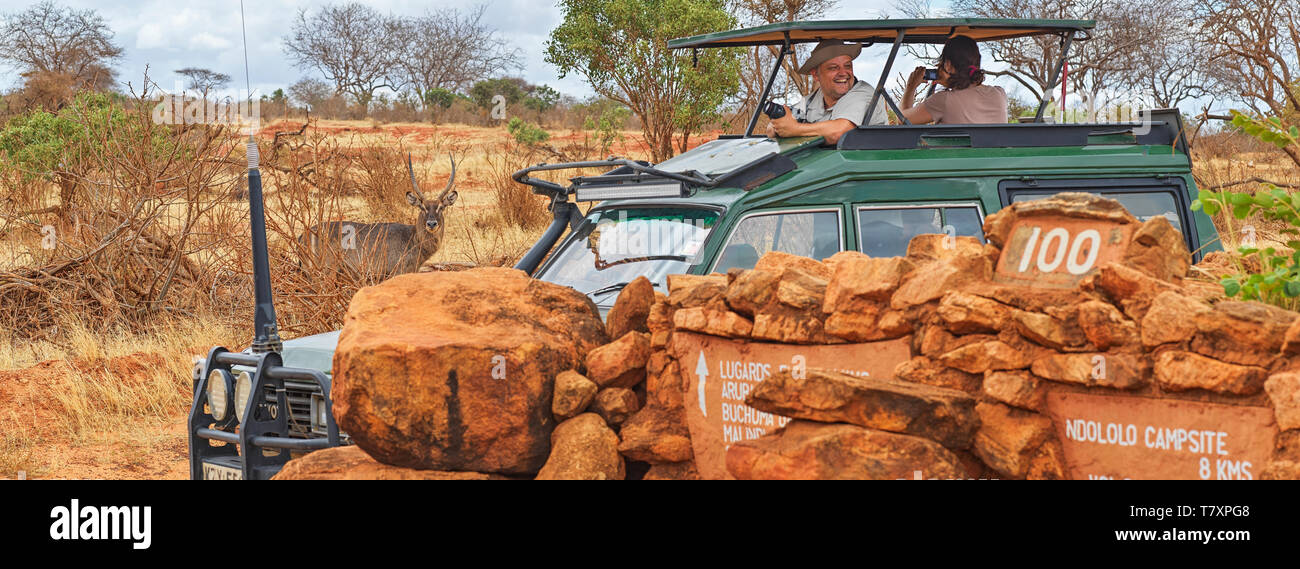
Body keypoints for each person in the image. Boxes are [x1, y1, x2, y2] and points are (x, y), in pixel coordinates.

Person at [766, 40, 888, 145]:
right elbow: (775, 127)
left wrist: (795, 129)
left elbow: (839, 132)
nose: (843, 73)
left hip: (866, 166)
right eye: (833, 68)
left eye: (847, 66)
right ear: (815, 75)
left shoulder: (862, 92)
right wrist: (778, 126)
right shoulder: (812, 99)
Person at [901, 35, 1008, 124]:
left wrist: (911, 87)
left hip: (952, 151)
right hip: (993, 150)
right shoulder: (999, 94)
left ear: (948, 65)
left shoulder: (943, 100)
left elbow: (902, 120)